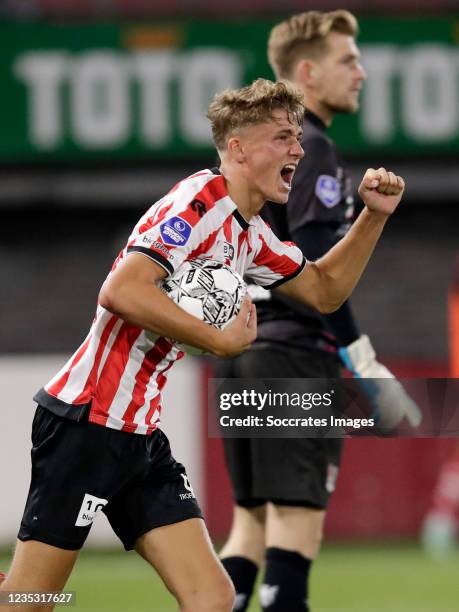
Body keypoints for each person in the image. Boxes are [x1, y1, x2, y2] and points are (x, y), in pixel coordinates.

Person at [0, 77, 404, 612]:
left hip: (138, 432)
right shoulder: (197, 203)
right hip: (87, 422)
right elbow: (121, 290)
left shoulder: (252, 232)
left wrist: (373, 216)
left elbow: (324, 291)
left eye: (299, 138)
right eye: (282, 137)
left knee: (212, 599)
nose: (298, 150)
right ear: (237, 148)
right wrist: (217, 340)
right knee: (30, 601)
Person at [217, 11, 417, 612]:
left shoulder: (257, 155)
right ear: (307, 71)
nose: (361, 71)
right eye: (347, 59)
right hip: (293, 358)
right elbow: (314, 267)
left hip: (243, 352)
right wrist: (365, 363)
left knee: (250, 529)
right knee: (297, 529)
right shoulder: (315, 151)